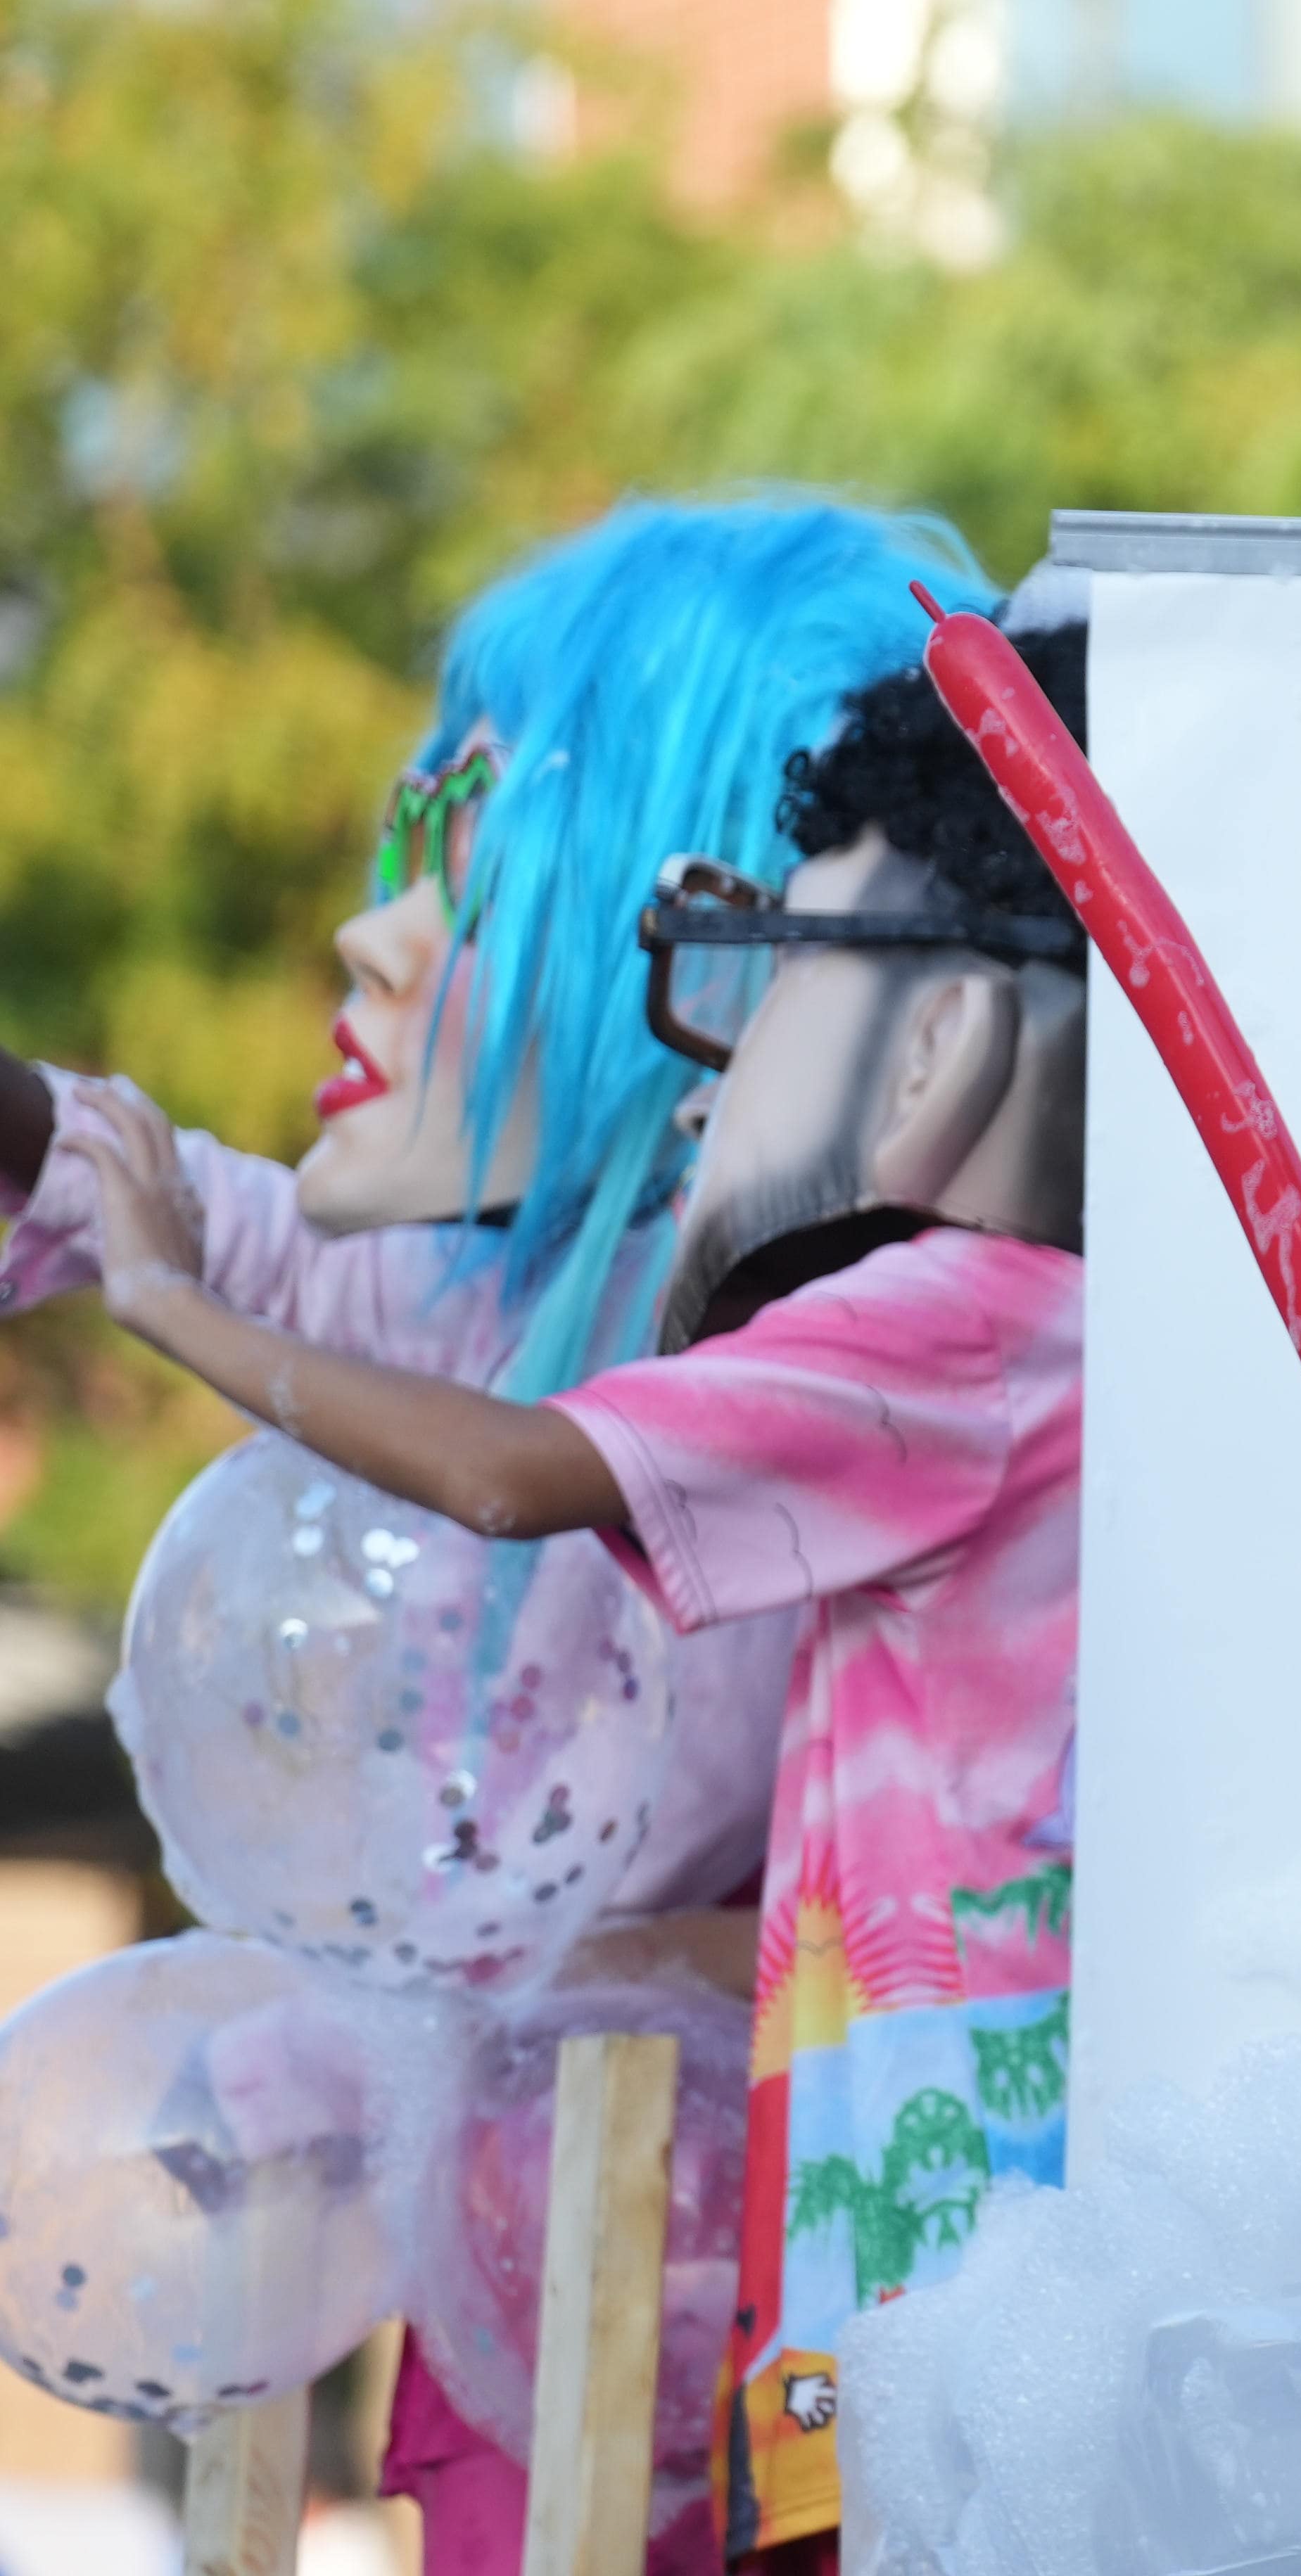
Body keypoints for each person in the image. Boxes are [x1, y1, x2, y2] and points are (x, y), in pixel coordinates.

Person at [53, 625, 1093, 2572]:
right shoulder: (1086, 1352)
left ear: (938, 1044)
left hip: (935, 2292)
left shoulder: (959, 1323)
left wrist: (168, 1299)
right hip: (927, 2293)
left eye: (763, 989)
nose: (710, 1080)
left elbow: (512, 1468)